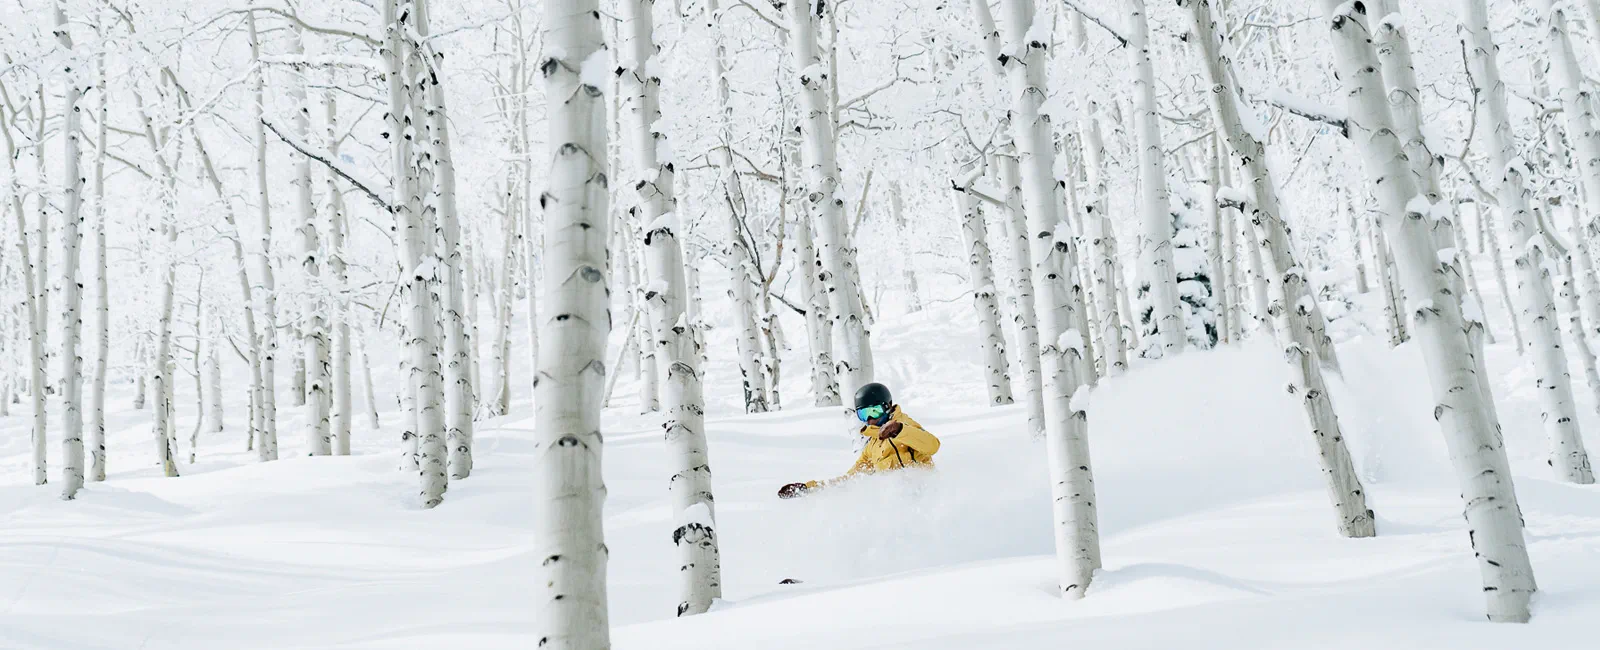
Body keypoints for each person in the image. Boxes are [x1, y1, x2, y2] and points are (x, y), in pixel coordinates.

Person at [778, 382, 941, 498]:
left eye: (874, 411)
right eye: (864, 414)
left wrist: (900, 430)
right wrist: (808, 488)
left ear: (888, 406)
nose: (870, 419)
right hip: (896, 506)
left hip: (925, 498)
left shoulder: (905, 425)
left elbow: (932, 445)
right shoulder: (872, 447)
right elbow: (850, 480)